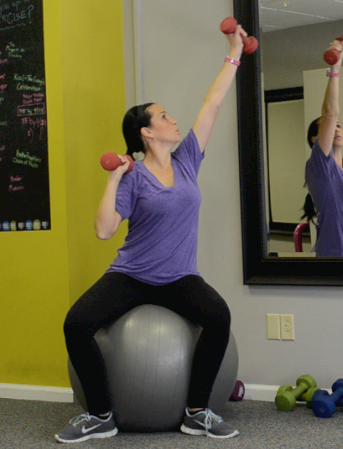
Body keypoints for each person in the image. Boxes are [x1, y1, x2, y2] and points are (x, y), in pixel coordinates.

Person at [54, 23, 246, 445]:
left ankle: (197, 412)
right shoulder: (134, 177)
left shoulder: (188, 160)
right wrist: (112, 180)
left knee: (218, 317)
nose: (173, 119)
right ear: (146, 132)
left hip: (179, 277)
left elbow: (211, 106)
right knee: (76, 323)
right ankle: (101, 415)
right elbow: (105, 231)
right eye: (163, 116)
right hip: (133, 275)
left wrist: (233, 52)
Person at [304, 38, 343, 257]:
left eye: (339, 127)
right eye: (332, 128)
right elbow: (330, 113)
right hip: (333, 258)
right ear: (316, 139)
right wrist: (335, 67)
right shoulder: (321, 166)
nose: (337, 128)